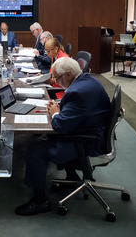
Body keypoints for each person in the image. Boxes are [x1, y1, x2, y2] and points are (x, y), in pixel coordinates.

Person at [14, 57, 111, 216]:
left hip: (86, 143)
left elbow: (61, 126)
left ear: (68, 75)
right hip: (91, 133)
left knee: (35, 150)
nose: (55, 82)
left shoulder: (77, 93)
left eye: (57, 78)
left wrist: (56, 114)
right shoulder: (86, 80)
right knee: (43, 138)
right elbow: (76, 114)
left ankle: (40, 201)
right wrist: (61, 111)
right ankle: (70, 176)